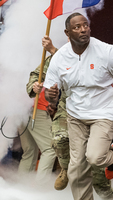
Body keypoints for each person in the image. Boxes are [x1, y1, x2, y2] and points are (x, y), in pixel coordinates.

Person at [44, 13, 113, 200]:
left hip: (105, 112)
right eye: (77, 27)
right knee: (76, 167)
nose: (83, 30)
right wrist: (51, 96)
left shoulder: (106, 52)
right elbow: (49, 91)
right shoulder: (60, 57)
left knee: (95, 157)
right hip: (75, 115)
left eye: (85, 26)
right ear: (67, 32)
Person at [18, 35, 57, 184]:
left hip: (20, 109)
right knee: (49, 149)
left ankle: (21, 188)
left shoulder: (18, 56)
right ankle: (39, 189)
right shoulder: (44, 58)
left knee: (30, 152)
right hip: (36, 109)